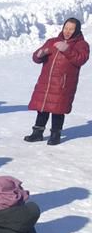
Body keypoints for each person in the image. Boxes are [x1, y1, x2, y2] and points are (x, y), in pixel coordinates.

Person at [25, 17, 89, 146]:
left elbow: (81, 59)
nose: (67, 31)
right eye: (66, 28)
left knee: (58, 110)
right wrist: (40, 54)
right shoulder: (52, 41)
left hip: (63, 84)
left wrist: (67, 50)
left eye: (71, 29)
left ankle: (55, 134)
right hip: (46, 82)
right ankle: (37, 132)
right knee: (42, 108)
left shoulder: (82, 45)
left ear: (77, 30)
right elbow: (36, 58)